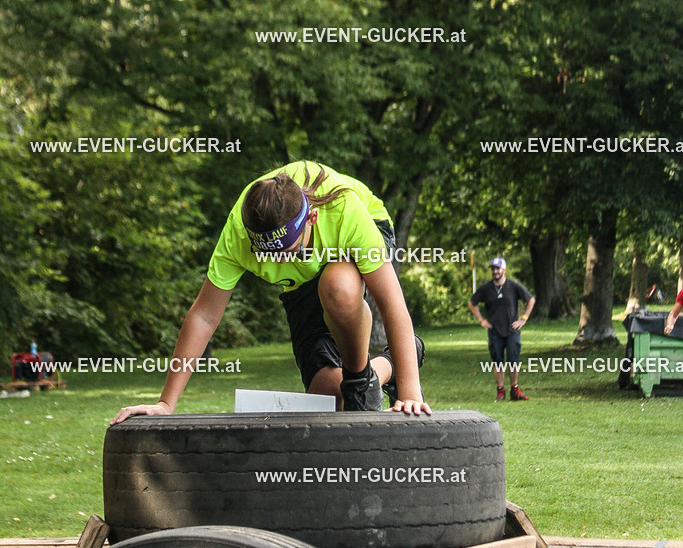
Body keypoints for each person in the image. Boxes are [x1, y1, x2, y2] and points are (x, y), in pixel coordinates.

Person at [111, 161, 428, 424]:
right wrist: (166, 403)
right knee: (328, 398)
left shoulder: (344, 212)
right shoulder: (238, 233)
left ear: (311, 220)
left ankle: (360, 380)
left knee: (339, 287)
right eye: (268, 255)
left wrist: (411, 394)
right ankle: (393, 361)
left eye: (287, 251)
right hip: (306, 278)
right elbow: (204, 316)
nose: (279, 262)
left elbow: (391, 303)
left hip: (355, 237)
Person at [468, 257, 535, 401]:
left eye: (498, 269)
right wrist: (481, 319)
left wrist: (524, 318)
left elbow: (531, 299)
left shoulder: (513, 286)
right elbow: (472, 303)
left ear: (504, 270)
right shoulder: (486, 288)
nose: (495, 272)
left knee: (513, 360)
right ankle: (500, 391)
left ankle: (515, 390)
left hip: (512, 330)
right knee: (497, 361)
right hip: (494, 331)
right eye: (493, 269)